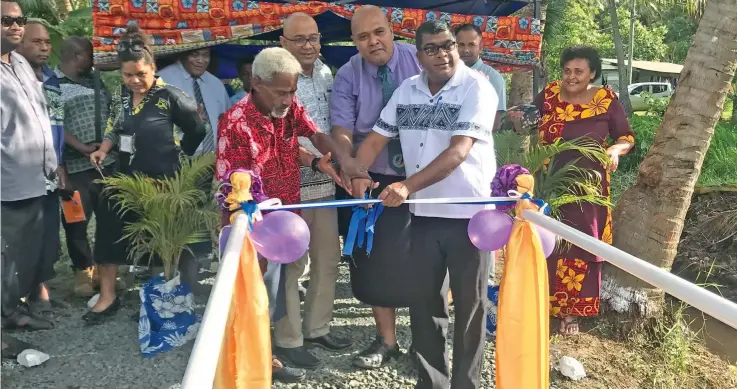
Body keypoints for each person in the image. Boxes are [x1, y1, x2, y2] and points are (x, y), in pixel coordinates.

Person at [350, 20, 497, 389]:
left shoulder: (477, 88)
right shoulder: (407, 90)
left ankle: (466, 384)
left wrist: (407, 185)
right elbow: (375, 140)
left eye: (447, 45)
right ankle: (431, 382)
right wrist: (355, 174)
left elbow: (459, 150)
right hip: (423, 216)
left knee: (469, 308)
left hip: (469, 218)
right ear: (418, 57)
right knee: (425, 304)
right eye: (432, 48)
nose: (443, 53)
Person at [216, 47, 363, 383]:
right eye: (281, 92)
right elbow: (236, 186)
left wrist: (329, 159)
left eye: (292, 91)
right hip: (255, 222)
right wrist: (251, 227)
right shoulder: (235, 124)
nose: (288, 99)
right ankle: (260, 359)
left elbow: (312, 136)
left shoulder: (289, 105)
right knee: (256, 290)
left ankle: (273, 349)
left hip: (290, 214)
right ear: (256, 83)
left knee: (281, 287)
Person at [509, 46, 635, 335]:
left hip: (587, 189)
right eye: (567, 70)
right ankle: (539, 302)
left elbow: (626, 137)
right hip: (548, 183)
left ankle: (570, 313)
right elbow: (526, 122)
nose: (571, 76)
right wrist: (515, 120)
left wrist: (615, 150)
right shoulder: (550, 93)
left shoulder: (606, 100)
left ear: (592, 73)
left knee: (581, 243)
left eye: (579, 71)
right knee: (546, 239)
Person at [87, 24, 206, 325]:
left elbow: (197, 129)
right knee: (109, 232)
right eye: (128, 75)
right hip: (126, 180)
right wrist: (104, 148)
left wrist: (182, 156)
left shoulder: (171, 96)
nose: (135, 80)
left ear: (153, 67)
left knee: (160, 243)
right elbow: (115, 126)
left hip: (162, 182)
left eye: (141, 73)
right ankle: (108, 295)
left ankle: (161, 301)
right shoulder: (121, 96)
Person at [330, 4, 421, 368]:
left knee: (426, 259)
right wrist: (353, 170)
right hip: (371, 175)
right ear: (353, 41)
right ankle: (386, 341)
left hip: (423, 174)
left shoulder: (420, 59)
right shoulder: (347, 74)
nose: (373, 42)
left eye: (378, 32)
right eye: (363, 37)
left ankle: (424, 341)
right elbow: (341, 129)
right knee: (373, 261)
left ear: (392, 31)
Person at [271, 12, 352, 370]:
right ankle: (288, 339)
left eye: (314, 38)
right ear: (283, 42)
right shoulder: (274, 78)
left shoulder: (324, 72)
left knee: (327, 259)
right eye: (300, 39)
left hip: (324, 182)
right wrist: (312, 160)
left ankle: (317, 327)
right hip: (288, 185)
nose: (309, 46)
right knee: (291, 265)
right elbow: (273, 139)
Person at [1, 0, 56, 332]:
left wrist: (52, 161)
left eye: (19, 20)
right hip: (8, 182)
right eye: (7, 20)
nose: (16, 26)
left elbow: (40, 115)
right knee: (6, 255)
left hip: (38, 177)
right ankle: (7, 316)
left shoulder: (20, 61)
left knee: (26, 251)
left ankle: (16, 304)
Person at [15, 20, 71, 318]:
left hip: (50, 170)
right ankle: (21, 299)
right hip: (20, 173)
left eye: (47, 42)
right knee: (23, 237)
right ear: (19, 44)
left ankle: (41, 290)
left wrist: (60, 163)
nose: (45, 47)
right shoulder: (10, 81)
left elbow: (57, 128)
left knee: (49, 233)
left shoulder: (52, 81)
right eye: (37, 42)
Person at [55, 36, 117, 297]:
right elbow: (53, 124)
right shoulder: (53, 86)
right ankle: (83, 271)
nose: (94, 61)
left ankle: (106, 273)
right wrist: (80, 146)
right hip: (74, 166)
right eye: (91, 55)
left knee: (109, 219)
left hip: (106, 163)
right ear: (77, 56)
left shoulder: (95, 80)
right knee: (76, 221)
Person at [157, 47, 230, 155]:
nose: (200, 60)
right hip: (178, 161)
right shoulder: (163, 80)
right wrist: (188, 122)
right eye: (195, 55)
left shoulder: (216, 84)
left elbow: (228, 121)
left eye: (205, 55)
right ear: (183, 54)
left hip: (215, 161)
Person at [454, 23, 506, 131]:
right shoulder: (446, 75)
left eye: (471, 45)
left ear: (481, 47)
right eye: (461, 45)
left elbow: (495, 124)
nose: (466, 50)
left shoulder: (493, 78)